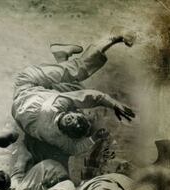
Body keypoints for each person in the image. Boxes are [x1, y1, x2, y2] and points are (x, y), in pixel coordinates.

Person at [11, 30, 137, 177]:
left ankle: (67, 53)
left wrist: (109, 105)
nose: (75, 122)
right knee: (75, 78)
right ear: (74, 112)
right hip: (31, 93)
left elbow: (76, 147)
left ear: (67, 134)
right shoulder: (59, 129)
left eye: (75, 128)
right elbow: (76, 146)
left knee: (75, 78)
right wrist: (95, 135)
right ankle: (107, 39)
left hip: (27, 84)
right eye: (79, 120)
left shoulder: (54, 116)